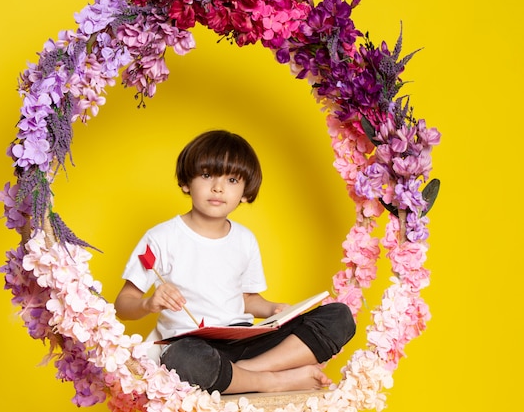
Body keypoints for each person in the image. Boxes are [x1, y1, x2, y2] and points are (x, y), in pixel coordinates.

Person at [114, 130, 355, 394]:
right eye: (207, 175)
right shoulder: (161, 237)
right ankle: (272, 381)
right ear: (186, 182)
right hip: (194, 344)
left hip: (244, 340)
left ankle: (244, 372)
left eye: (231, 179)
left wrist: (275, 309)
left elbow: (248, 299)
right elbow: (123, 305)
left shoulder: (244, 239)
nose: (218, 187)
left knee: (339, 316)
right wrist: (149, 303)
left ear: (245, 192)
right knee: (179, 360)